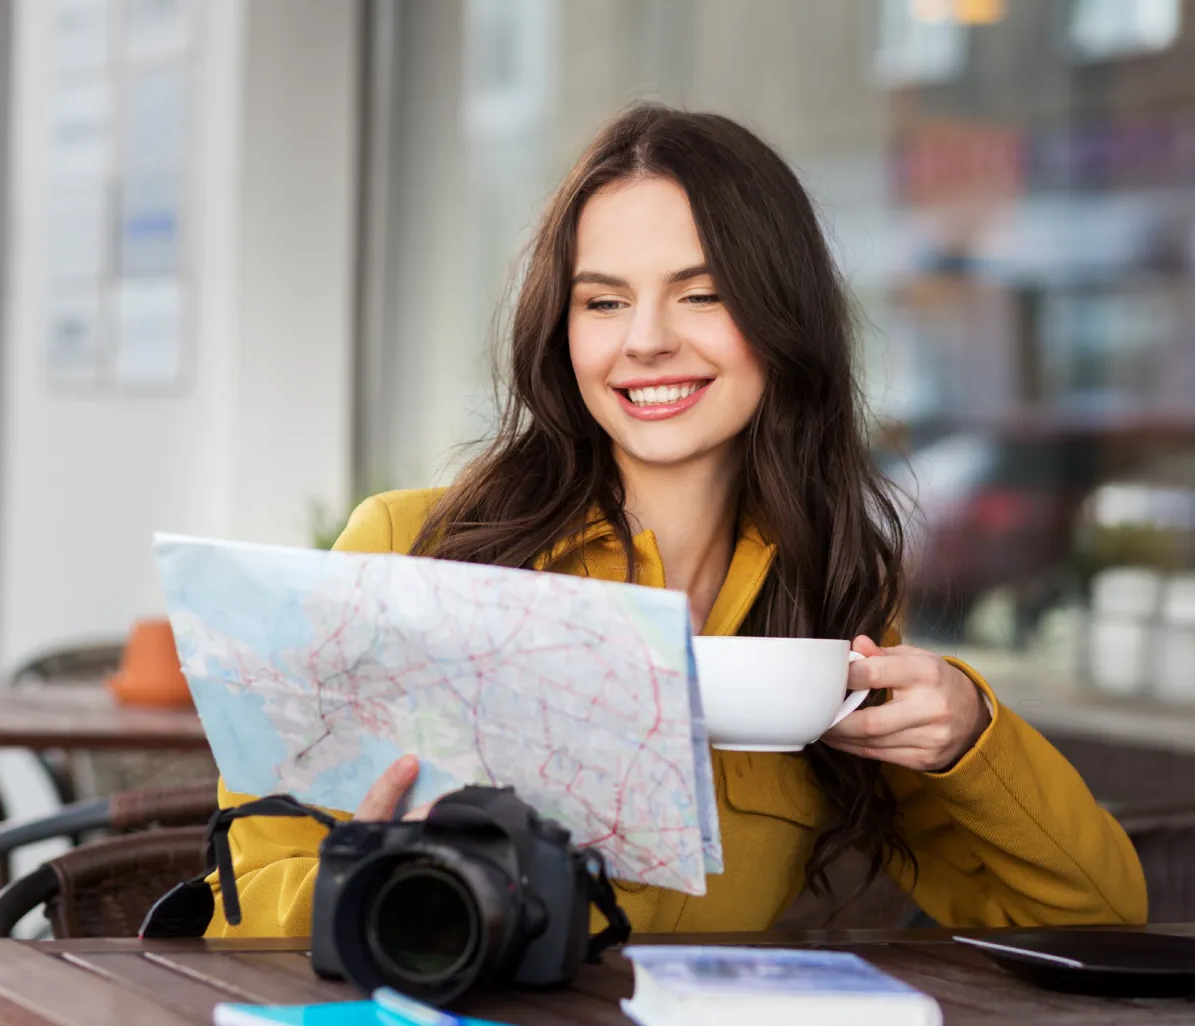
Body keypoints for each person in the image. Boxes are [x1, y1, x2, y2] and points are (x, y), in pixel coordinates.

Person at [205, 104, 1147, 938]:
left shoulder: (824, 615)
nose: (646, 338)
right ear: (562, 332)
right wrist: (381, 882)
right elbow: (242, 905)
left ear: (782, 318)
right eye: (604, 301)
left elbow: (1097, 924)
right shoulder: (411, 556)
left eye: (702, 294)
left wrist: (973, 735)